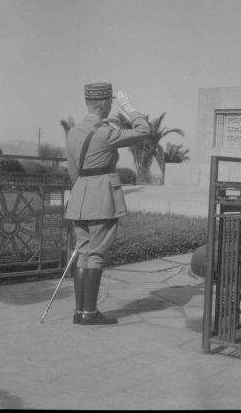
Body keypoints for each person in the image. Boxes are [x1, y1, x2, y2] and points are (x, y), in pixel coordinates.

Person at [64, 83, 150, 325]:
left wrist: (83, 192)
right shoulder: (106, 132)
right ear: (104, 104)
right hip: (101, 199)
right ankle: (90, 314)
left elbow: (73, 172)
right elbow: (144, 130)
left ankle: (80, 312)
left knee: (83, 254)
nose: (112, 106)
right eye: (111, 103)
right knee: (95, 255)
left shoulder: (73, 132)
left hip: (79, 198)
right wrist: (128, 106)